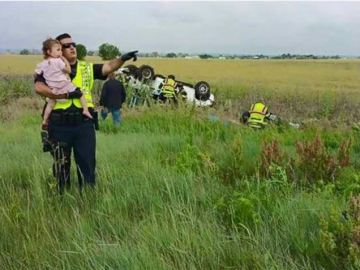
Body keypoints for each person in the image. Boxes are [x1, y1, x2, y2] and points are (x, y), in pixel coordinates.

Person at [34, 33, 138, 193]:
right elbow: (39, 87)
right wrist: (64, 95)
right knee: (61, 165)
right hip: (59, 124)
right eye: (66, 46)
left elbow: (108, 67)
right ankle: (60, 200)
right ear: (58, 50)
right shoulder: (49, 66)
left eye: (73, 44)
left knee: (87, 165)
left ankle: (87, 200)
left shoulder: (87, 67)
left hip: (84, 124)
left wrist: (122, 58)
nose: (72, 47)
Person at [35, 38, 92, 130]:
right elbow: (68, 70)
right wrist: (65, 60)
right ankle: (85, 110)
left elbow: (37, 73)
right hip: (65, 87)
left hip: (54, 90)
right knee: (80, 93)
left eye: (61, 50)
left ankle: (45, 120)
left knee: (50, 104)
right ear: (49, 51)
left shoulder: (43, 64)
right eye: (58, 50)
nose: (60, 52)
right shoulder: (58, 61)